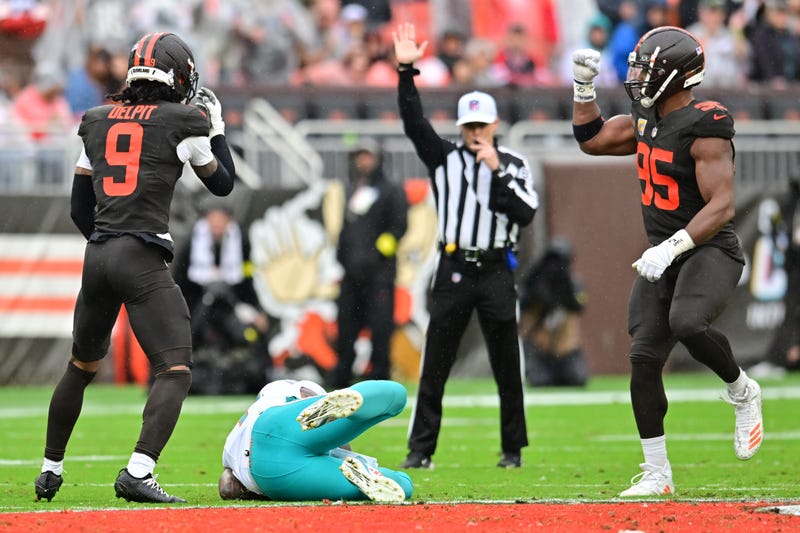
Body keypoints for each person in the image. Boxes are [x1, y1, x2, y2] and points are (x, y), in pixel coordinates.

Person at [34, 32, 236, 504]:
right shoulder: (184, 121)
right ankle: (138, 471)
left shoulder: (97, 119)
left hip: (98, 254)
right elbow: (223, 185)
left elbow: (79, 210)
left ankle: (50, 469)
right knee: (175, 369)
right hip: (140, 256)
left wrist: (108, 246)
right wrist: (218, 128)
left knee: (81, 365)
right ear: (179, 75)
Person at [570, 26, 763, 497]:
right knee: (642, 358)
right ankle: (657, 473)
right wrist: (582, 89)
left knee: (689, 322)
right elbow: (592, 140)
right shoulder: (647, 114)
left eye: (647, 69)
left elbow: (721, 206)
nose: (637, 77)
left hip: (709, 248)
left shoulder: (706, 122)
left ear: (678, 76)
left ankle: (742, 390)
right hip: (663, 254)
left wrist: (672, 246)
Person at [392, 23, 539, 470]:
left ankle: (512, 450)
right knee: (434, 364)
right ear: (461, 126)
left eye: (481, 124)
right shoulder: (446, 158)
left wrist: (494, 169)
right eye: (469, 125)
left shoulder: (513, 164)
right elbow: (414, 124)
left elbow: (524, 213)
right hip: (454, 267)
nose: (475, 132)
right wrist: (405, 70)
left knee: (505, 366)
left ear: (494, 124)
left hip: (495, 269)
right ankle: (421, 451)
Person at [219, 378, 413, 502]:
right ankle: (354, 400)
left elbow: (227, 487)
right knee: (396, 395)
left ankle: (363, 472)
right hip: (285, 440)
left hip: (271, 474)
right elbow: (344, 445)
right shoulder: (281, 393)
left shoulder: (240, 429)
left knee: (400, 487)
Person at [327, 138, 408, 389]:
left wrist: (376, 256)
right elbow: (347, 229)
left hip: (379, 276)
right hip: (352, 275)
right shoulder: (353, 189)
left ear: (378, 159)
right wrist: (343, 257)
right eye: (359, 157)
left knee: (380, 328)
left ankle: (380, 377)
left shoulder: (391, 190)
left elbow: (399, 227)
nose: (363, 162)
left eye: (368, 156)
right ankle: (342, 378)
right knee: (346, 327)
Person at [173, 201, 272, 395]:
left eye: (221, 220)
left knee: (256, 328)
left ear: (229, 221)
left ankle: (263, 377)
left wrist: (256, 310)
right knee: (182, 330)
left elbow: (247, 277)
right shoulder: (192, 242)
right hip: (197, 302)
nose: (217, 225)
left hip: (233, 300)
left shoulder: (241, 241)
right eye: (213, 220)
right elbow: (181, 279)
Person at [519, 240, 589, 388]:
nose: (555, 268)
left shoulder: (573, 284)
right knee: (541, 381)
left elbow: (579, 305)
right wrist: (535, 287)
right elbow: (521, 303)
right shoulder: (535, 282)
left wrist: (566, 289)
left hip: (565, 350)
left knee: (577, 379)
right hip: (539, 349)